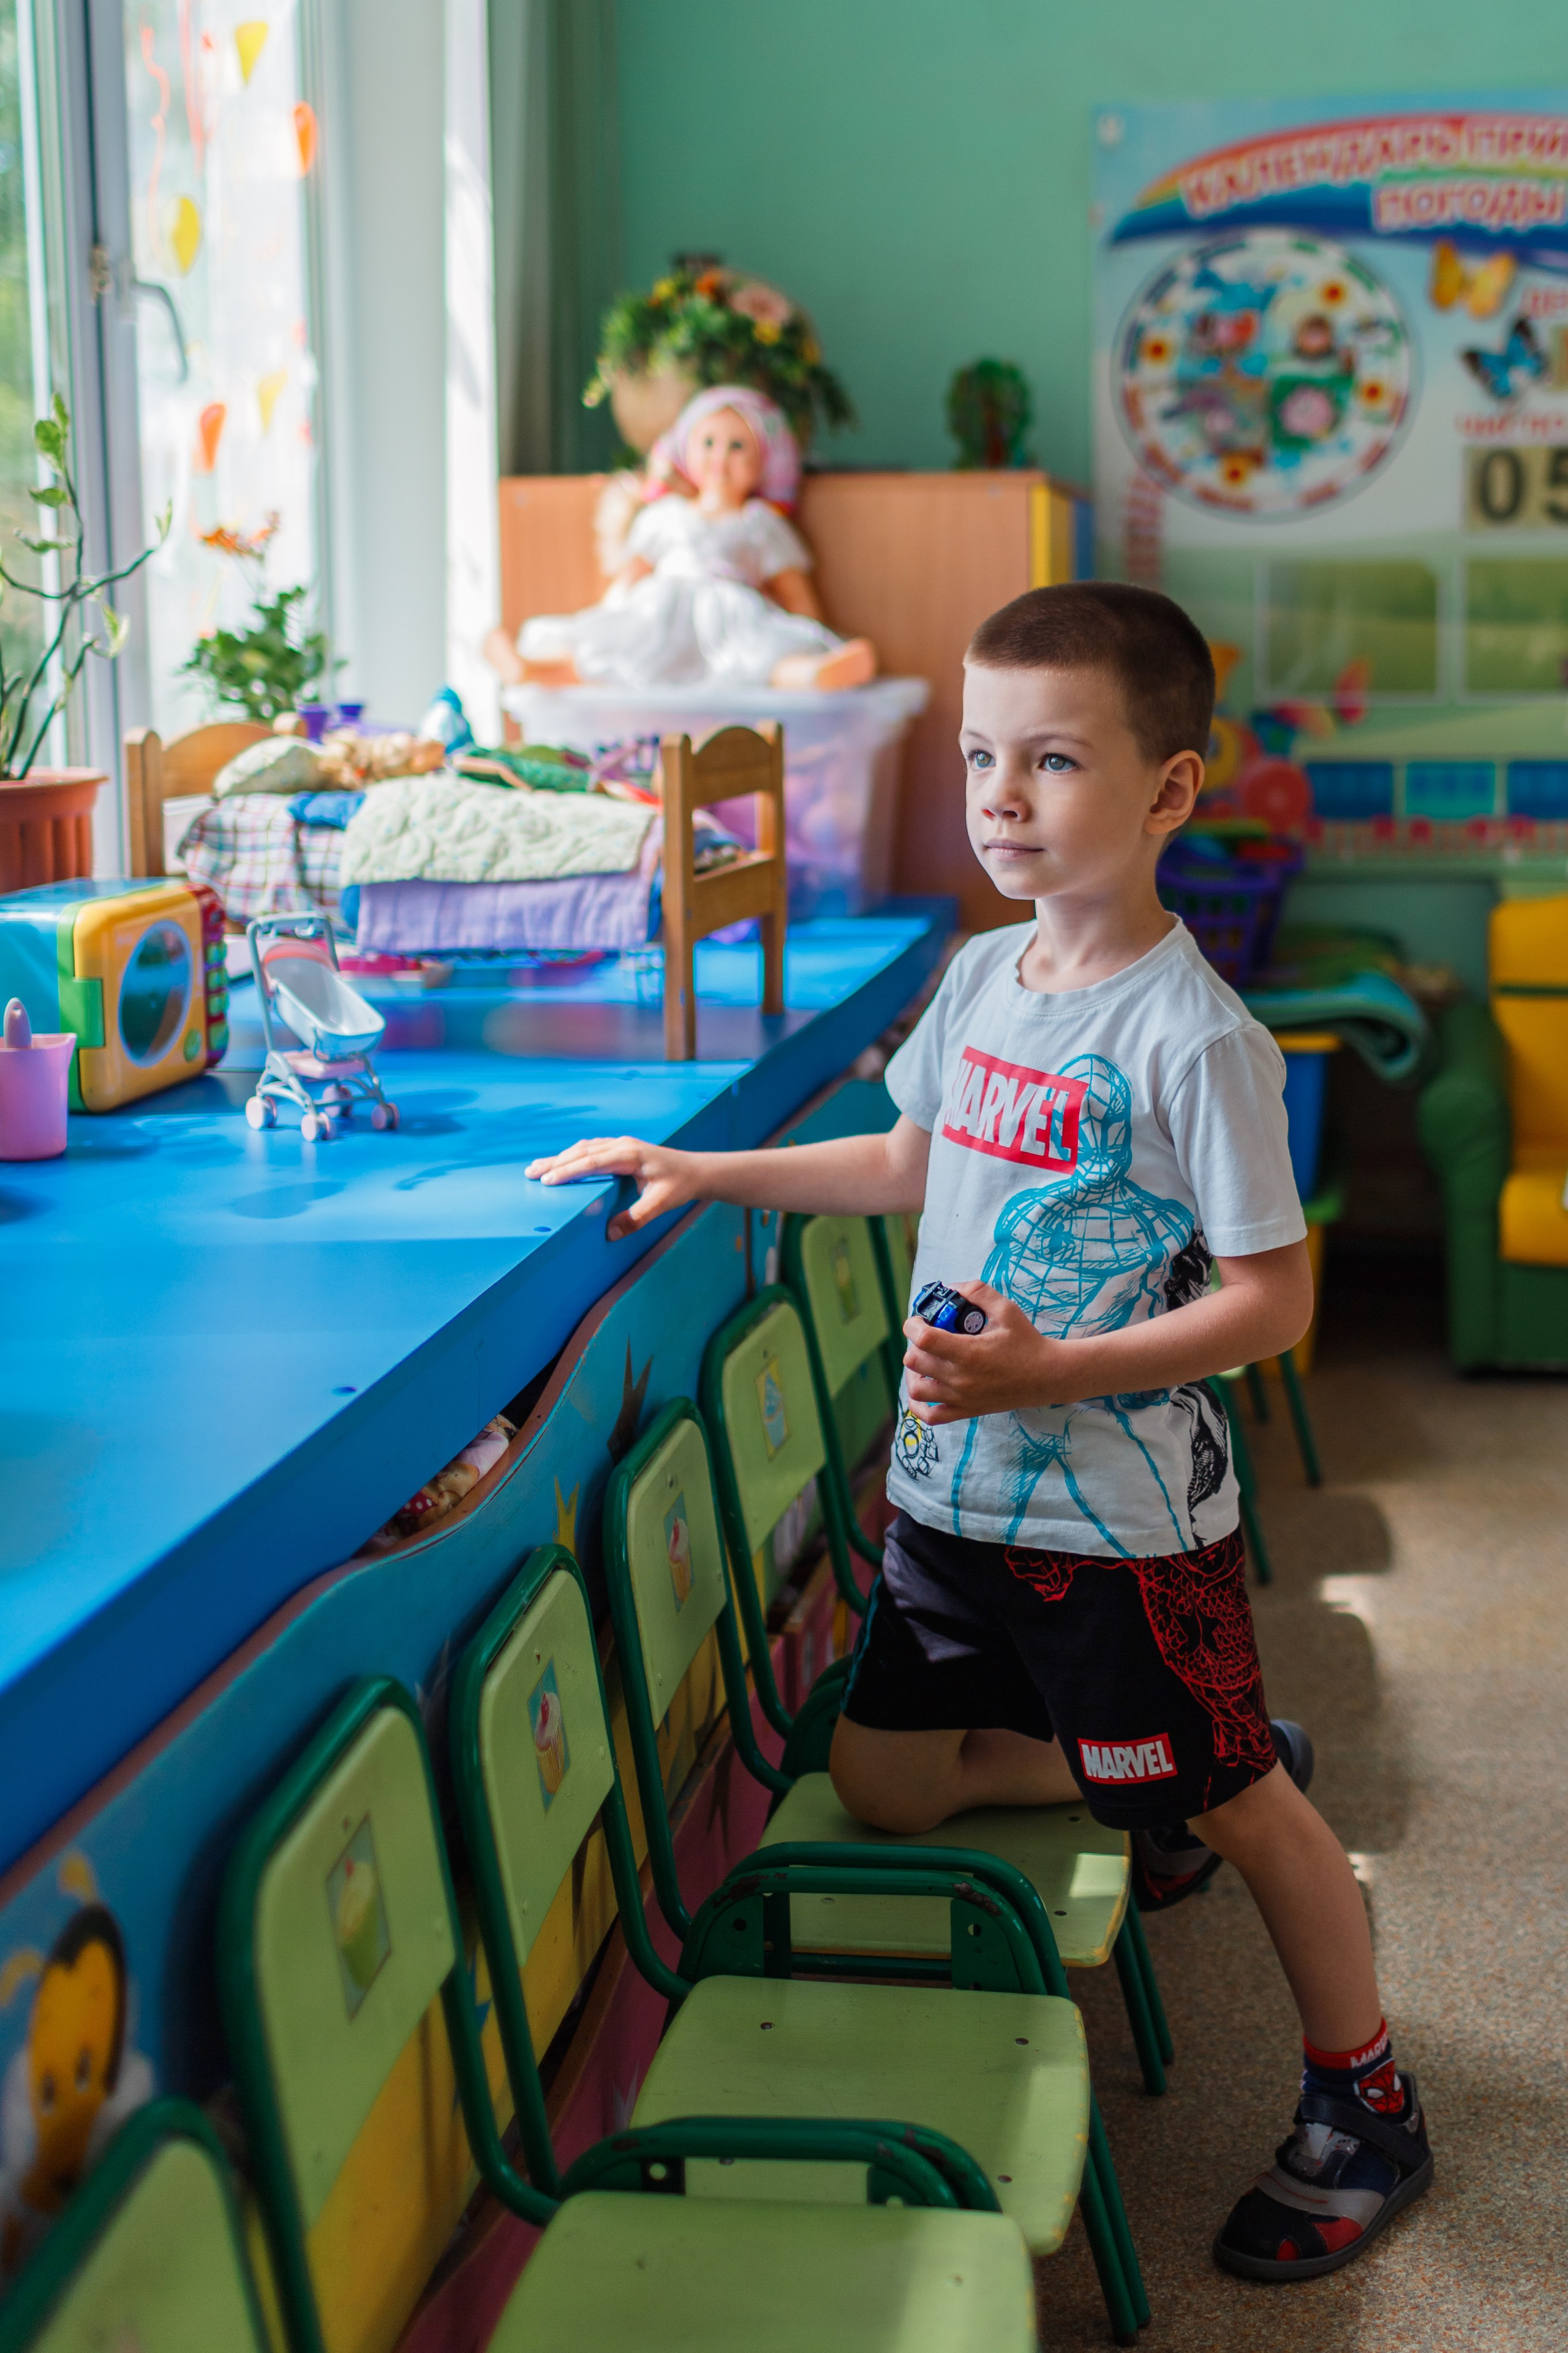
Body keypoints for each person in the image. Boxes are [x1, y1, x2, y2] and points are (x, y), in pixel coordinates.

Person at [525, 581, 1433, 2282]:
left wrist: (1048, 1376)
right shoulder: (981, 975)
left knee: (1241, 1806)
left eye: (1056, 761)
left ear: (1170, 791)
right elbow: (907, 1162)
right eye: (979, 757)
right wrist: (699, 1166)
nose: (1001, 797)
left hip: (1124, 1525)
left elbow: (1274, 1306)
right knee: (879, 1780)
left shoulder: (1197, 1042)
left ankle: (1364, 2094)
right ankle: (1140, 1780)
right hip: (953, 1498)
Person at [484, 383, 876, 693]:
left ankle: (815, 674)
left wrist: (813, 637)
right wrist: (610, 617)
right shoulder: (665, 516)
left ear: (764, 462)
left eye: (738, 446)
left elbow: (795, 594)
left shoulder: (759, 524)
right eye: (708, 443)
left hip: (730, 620)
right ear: (686, 450)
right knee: (611, 655)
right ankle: (529, 668)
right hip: (660, 612)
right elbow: (630, 578)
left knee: (762, 660)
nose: (720, 456)